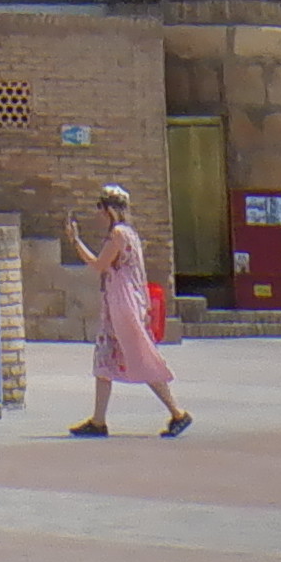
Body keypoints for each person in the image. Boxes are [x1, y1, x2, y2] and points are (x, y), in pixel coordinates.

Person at [61, 182, 191, 436]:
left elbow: (99, 264)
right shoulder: (129, 233)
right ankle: (98, 420)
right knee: (105, 359)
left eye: (101, 207)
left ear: (110, 209)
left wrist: (75, 241)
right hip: (121, 303)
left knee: (139, 357)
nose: (99, 213)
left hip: (123, 304)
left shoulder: (119, 234)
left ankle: (178, 412)